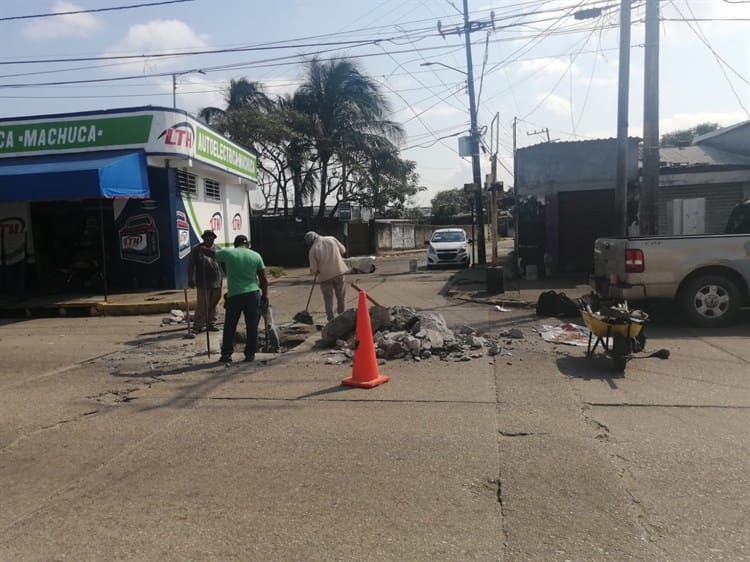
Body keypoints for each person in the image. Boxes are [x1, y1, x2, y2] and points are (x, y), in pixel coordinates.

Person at [215, 235, 268, 363]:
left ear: (235, 244)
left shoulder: (229, 253)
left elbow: (212, 254)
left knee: (230, 325)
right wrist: (264, 295)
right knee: (252, 325)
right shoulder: (256, 255)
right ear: (248, 244)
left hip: (235, 295)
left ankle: (226, 354)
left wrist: (201, 249)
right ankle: (250, 354)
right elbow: (263, 279)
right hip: (253, 294)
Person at [304, 231, 348, 321]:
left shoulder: (313, 249)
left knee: (328, 299)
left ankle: (331, 319)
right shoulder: (331, 239)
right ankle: (342, 315)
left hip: (325, 277)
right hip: (339, 272)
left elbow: (314, 269)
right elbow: (343, 250)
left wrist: (314, 272)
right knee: (341, 296)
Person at [187, 230, 224, 333]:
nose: (208, 239)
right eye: (206, 238)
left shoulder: (218, 249)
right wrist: (190, 278)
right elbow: (191, 265)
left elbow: (224, 265)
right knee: (202, 305)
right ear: (203, 238)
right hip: (202, 282)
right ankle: (198, 325)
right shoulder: (197, 249)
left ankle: (211, 323)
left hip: (217, 281)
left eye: (211, 238)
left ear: (214, 238)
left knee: (214, 304)